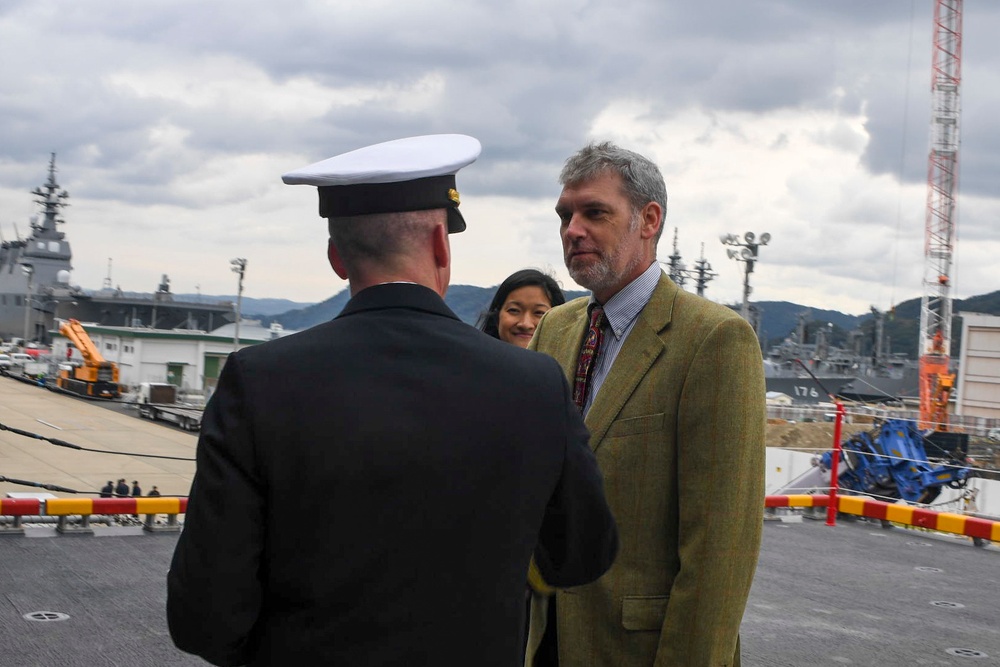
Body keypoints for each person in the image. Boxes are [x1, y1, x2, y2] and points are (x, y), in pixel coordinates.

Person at [167, 134, 618, 667]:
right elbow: (581, 557)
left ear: (337, 257)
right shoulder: (535, 384)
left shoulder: (257, 381)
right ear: (440, 244)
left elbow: (203, 617)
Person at [527, 141, 766, 666]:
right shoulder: (556, 329)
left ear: (649, 219)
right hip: (546, 641)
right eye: (565, 215)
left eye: (595, 212)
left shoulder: (714, 341)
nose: (572, 230)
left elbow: (719, 552)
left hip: (640, 650)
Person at [478, 269, 566, 348]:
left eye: (539, 313)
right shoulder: (471, 364)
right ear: (497, 317)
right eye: (514, 310)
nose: (525, 324)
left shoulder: (572, 365)